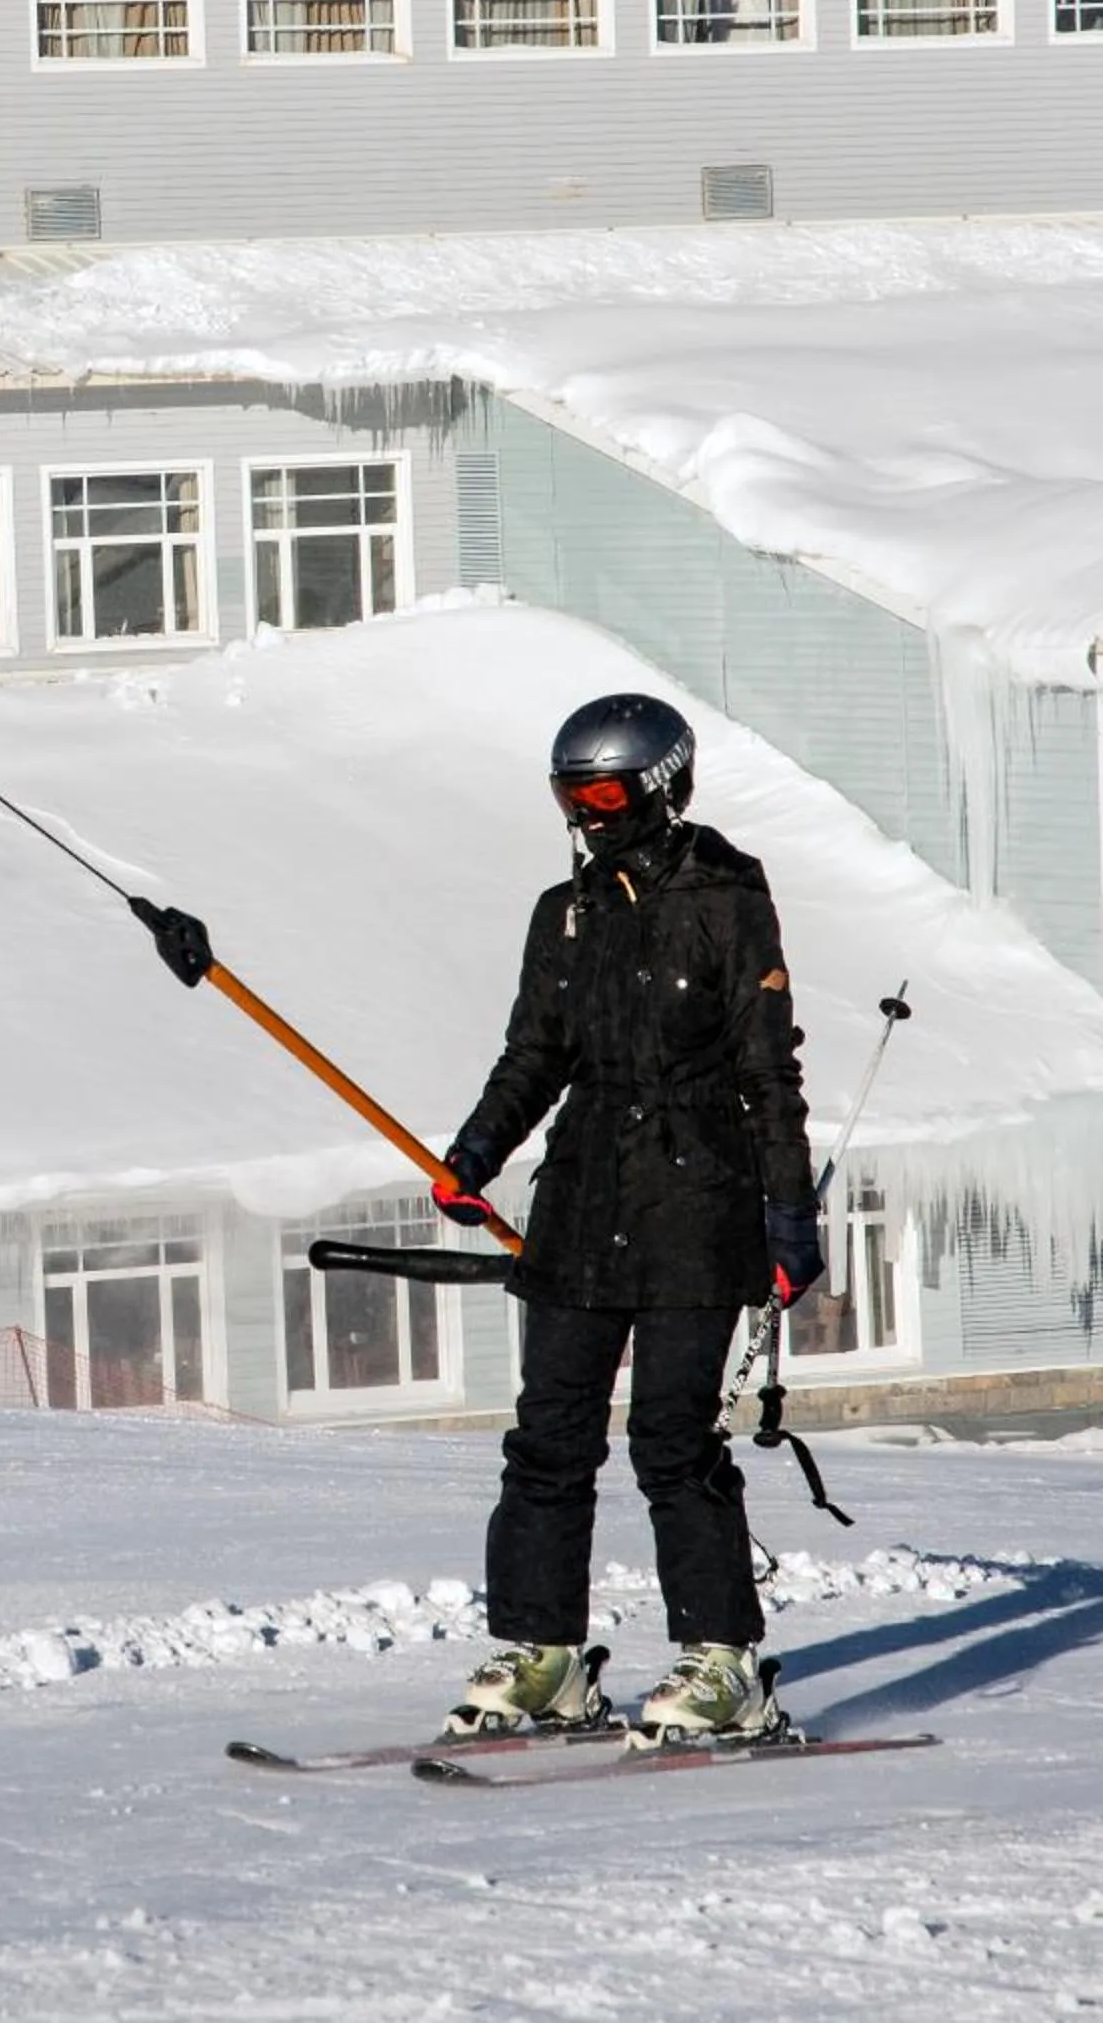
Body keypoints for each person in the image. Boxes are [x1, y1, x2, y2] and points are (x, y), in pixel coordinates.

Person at [434, 691, 826, 1745]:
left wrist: (789, 1212)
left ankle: (722, 1663)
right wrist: (476, 1153)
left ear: (659, 785)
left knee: (670, 1435)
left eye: (604, 790)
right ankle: (544, 1655)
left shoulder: (728, 899)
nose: (587, 812)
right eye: (571, 794)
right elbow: (536, 1056)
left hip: (698, 1200)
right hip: (582, 1196)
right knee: (548, 1437)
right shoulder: (562, 913)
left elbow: (766, 1068)